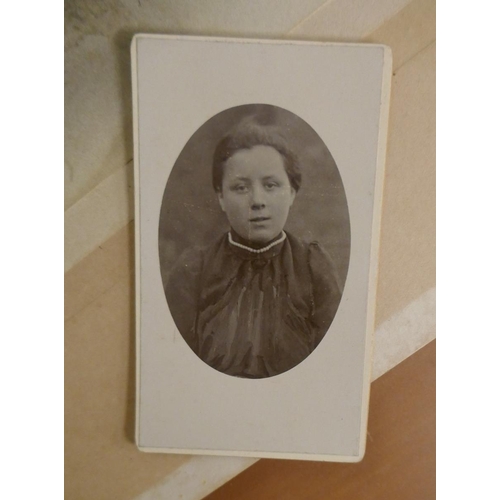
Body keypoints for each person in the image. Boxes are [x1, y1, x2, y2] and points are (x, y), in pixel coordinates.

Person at [165, 117, 342, 378]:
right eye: (240, 187)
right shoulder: (194, 271)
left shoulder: (312, 267)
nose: (257, 200)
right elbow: (174, 368)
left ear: (292, 192)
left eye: (271, 185)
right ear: (221, 197)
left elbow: (334, 365)